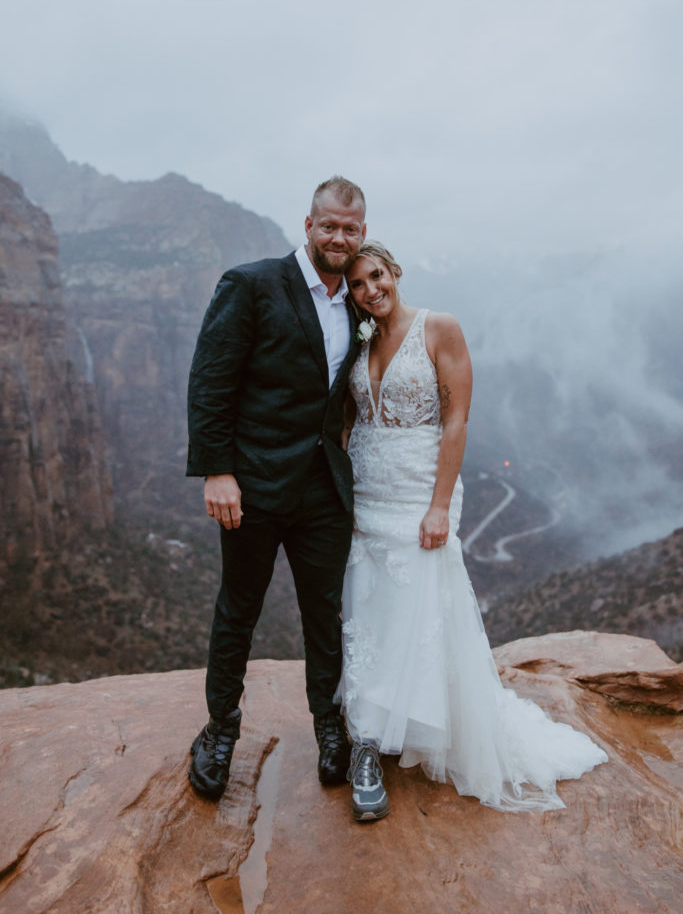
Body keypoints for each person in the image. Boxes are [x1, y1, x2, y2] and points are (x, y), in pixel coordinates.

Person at [338, 241, 608, 821]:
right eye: (357, 284)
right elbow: (349, 418)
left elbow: (457, 419)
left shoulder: (439, 327)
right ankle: (367, 731)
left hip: (417, 493)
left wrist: (440, 505)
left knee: (420, 606)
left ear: (395, 271)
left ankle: (413, 724)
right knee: (371, 606)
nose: (369, 291)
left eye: (376, 276)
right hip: (366, 495)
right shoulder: (358, 339)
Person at [186, 176, 367, 800]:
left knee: (326, 614)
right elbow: (212, 379)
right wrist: (217, 470)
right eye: (329, 225)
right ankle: (219, 732)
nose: (338, 236)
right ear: (309, 225)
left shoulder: (360, 302)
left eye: (350, 228)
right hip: (253, 487)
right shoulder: (253, 283)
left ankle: (330, 728)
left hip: (324, 491)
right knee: (240, 607)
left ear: (361, 233)